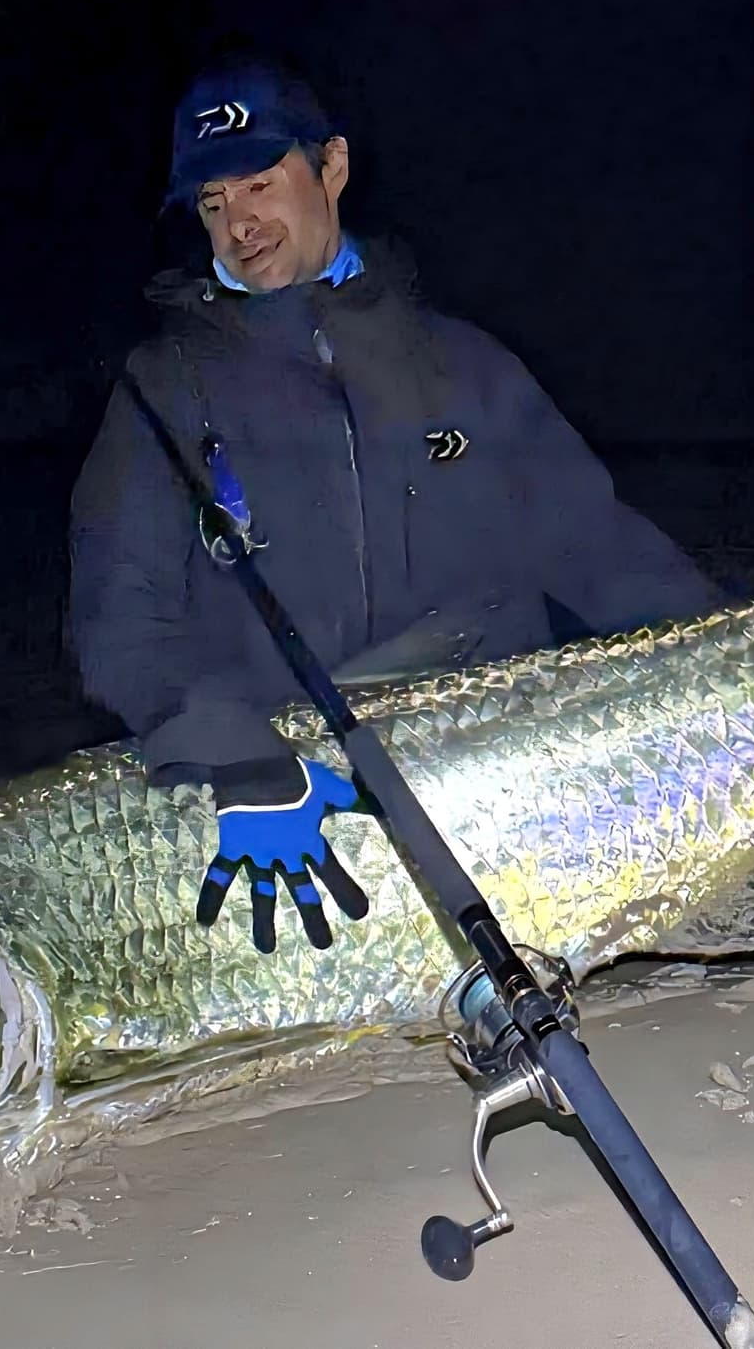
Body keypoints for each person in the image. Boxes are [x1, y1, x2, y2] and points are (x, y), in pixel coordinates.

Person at [68, 54, 719, 954]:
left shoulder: (465, 364)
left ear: (331, 166)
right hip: (295, 803)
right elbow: (117, 617)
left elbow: (605, 555)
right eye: (213, 205)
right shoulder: (162, 389)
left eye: (260, 183)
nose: (240, 223)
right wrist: (223, 742)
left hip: (510, 777)